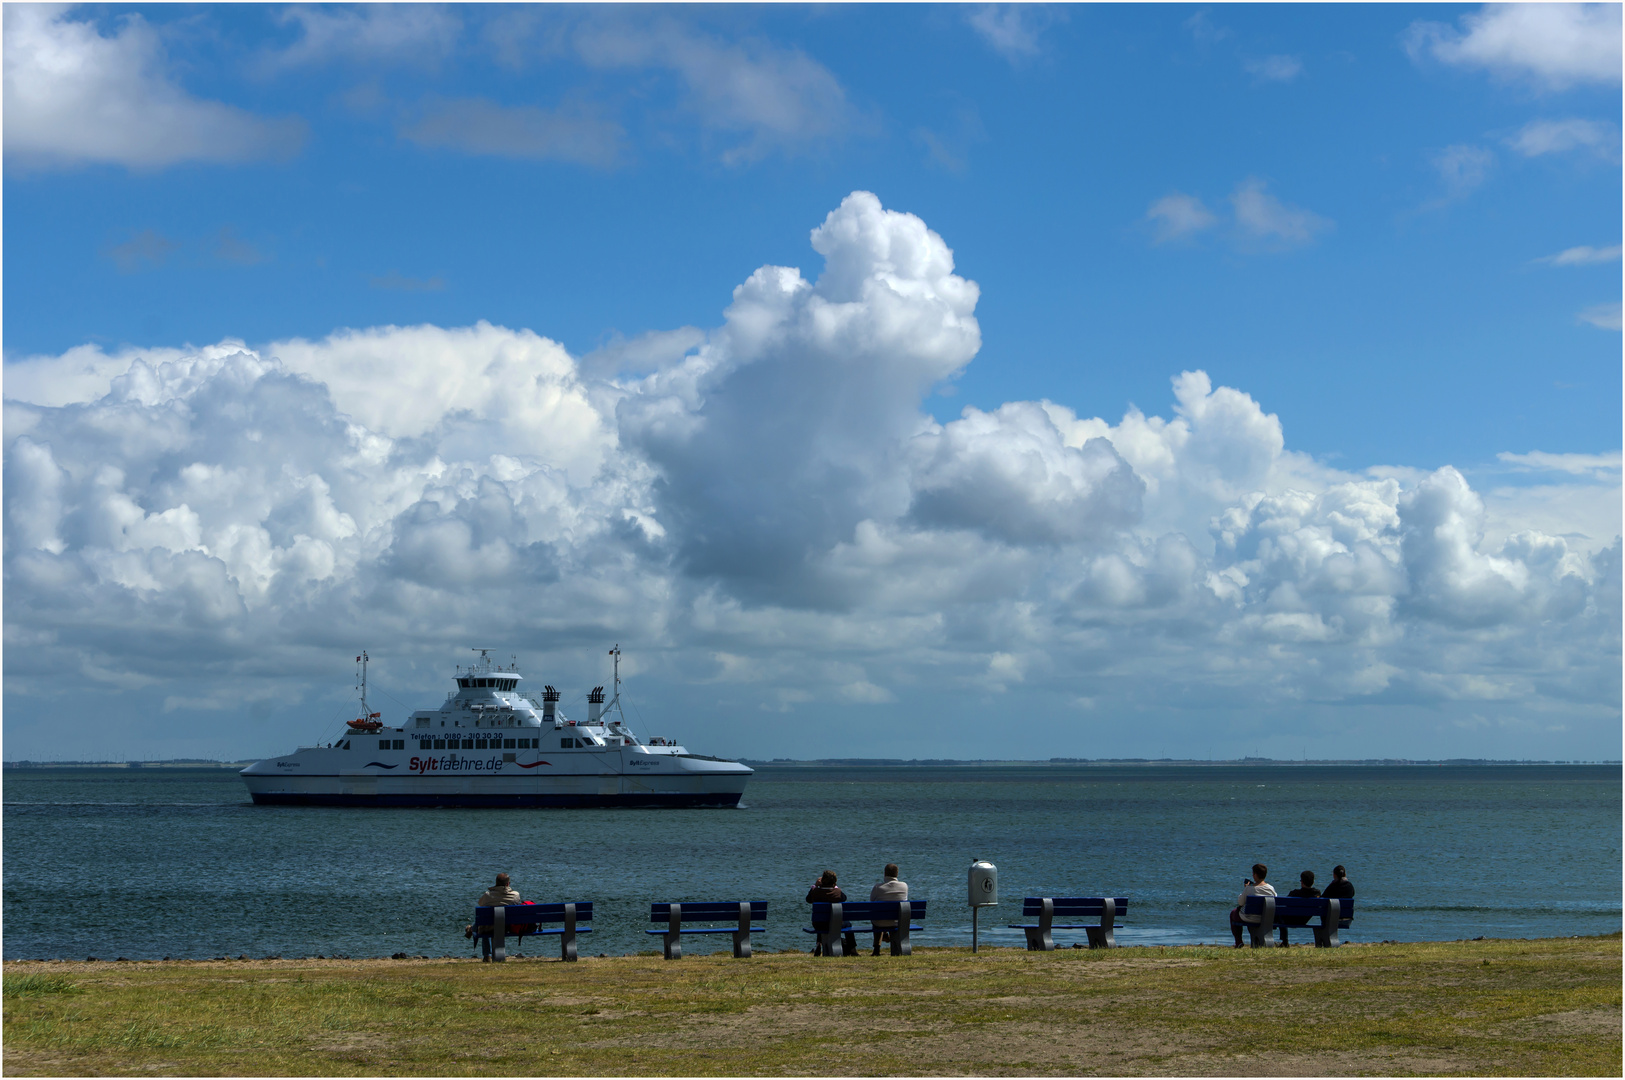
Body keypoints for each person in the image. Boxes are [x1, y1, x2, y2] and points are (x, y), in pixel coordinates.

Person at [469, 873, 521, 961]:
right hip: (506, 927)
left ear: (496, 883)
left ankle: (487, 955)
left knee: (484, 922)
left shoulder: (488, 895)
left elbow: (480, 903)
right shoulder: (515, 895)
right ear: (508, 884)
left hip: (488, 927)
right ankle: (471, 929)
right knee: (486, 922)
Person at [806, 870, 858, 956]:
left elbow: (808, 899)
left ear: (822, 881)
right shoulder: (837, 893)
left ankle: (819, 944)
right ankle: (852, 949)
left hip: (819, 924)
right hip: (836, 924)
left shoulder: (815, 892)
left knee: (822, 920)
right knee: (847, 924)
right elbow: (844, 898)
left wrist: (815, 885)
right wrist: (835, 887)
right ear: (834, 882)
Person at [1229, 863, 1276, 948]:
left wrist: (1246, 888)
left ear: (1256, 875)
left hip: (1249, 917)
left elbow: (1241, 902)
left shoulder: (1249, 888)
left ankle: (1238, 941)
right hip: (1265, 918)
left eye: (1253, 873)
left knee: (1233, 913)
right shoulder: (1270, 888)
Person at [869, 864, 908, 956]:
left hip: (879, 923)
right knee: (888, 916)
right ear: (897, 874)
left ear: (885, 874)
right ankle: (894, 948)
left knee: (878, 916)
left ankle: (876, 949)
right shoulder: (904, 886)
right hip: (898, 921)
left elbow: (872, 903)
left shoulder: (878, 887)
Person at [1279, 870, 1321, 946]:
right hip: (1304, 919)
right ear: (1313, 882)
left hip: (1290, 920)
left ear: (1302, 882)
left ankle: (1284, 941)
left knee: (1278, 914)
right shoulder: (1316, 894)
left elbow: (1285, 905)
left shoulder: (1294, 893)